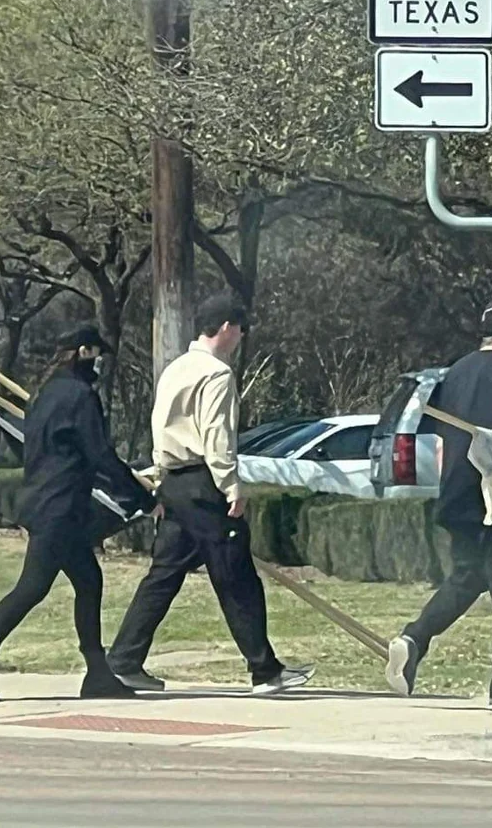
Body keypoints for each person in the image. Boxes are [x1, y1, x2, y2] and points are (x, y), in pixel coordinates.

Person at [106, 293, 314, 695]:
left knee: (163, 575)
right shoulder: (217, 375)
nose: (239, 338)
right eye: (239, 330)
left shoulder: (175, 369)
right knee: (237, 577)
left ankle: (123, 659)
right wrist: (231, 485)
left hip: (175, 483)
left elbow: (160, 424)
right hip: (204, 483)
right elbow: (216, 436)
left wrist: (159, 473)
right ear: (225, 328)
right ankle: (265, 671)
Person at [0, 325, 157, 702]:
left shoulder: (45, 394)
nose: (100, 363)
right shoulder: (79, 397)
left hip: (47, 503)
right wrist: (140, 497)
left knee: (89, 581)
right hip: (60, 508)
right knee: (32, 587)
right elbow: (99, 455)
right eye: (97, 354)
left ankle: (97, 672)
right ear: (83, 351)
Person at [384, 296, 492, 710]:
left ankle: (413, 638)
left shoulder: (457, 371)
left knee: (468, 577)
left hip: (457, 492)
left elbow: (443, 438)